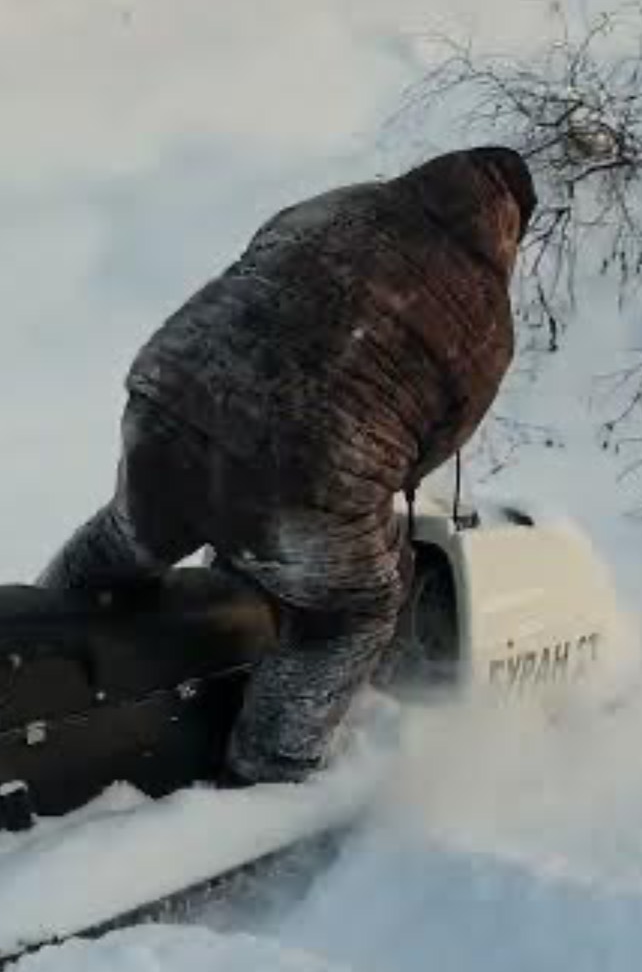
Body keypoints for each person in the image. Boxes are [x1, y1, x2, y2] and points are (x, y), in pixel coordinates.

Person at [41, 147, 536, 784]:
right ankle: (268, 771)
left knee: (126, 536)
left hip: (170, 400)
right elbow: (432, 448)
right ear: (511, 227)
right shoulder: (487, 315)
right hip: (301, 472)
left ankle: (23, 645)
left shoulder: (342, 204)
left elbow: (255, 276)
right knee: (356, 610)